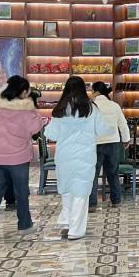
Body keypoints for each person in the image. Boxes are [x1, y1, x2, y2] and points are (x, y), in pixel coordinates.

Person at [0, 76, 45, 246]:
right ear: (23, 91)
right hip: (18, 157)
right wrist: (34, 110)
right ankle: (24, 225)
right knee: (21, 192)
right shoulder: (25, 109)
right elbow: (35, 127)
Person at [45, 77, 112, 240]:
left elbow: (51, 134)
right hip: (85, 156)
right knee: (81, 192)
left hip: (64, 157)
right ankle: (75, 230)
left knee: (67, 190)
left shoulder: (60, 110)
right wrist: (112, 127)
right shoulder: (91, 108)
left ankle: (66, 223)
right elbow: (103, 129)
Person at [89, 81, 131, 211]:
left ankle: (92, 204)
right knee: (113, 173)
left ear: (96, 92)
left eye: (92, 91)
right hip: (113, 143)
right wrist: (126, 140)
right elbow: (123, 124)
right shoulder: (114, 106)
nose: (91, 93)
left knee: (93, 175)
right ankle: (116, 201)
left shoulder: (91, 106)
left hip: (96, 143)